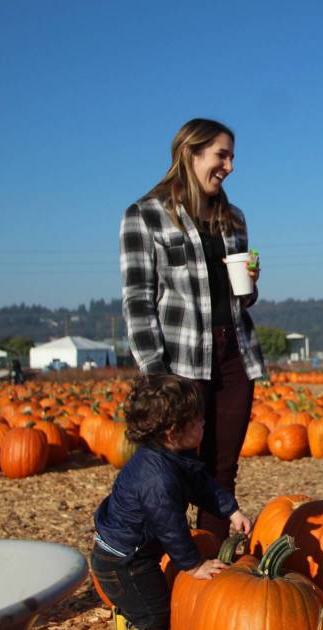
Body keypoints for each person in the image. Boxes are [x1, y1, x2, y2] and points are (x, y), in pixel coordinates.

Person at [120, 118, 264, 543]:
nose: (230, 166)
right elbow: (137, 301)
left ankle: (209, 564)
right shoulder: (144, 216)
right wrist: (156, 376)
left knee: (222, 469)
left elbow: (240, 299)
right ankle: (159, 568)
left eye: (232, 156)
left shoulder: (232, 218)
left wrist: (250, 285)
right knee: (172, 470)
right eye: (222, 155)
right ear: (190, 153)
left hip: (234, 354)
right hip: (180, 360)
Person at [92, 374, 252, 630]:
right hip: (124, 561)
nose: (203, 422)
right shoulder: (156, 479)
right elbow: (171, 527)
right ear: (171, 432)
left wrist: (231, 510)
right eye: (196, 420)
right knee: (154, 614)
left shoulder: (174, 457)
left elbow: (200, 485)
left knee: (138, 608)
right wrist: (193, 565)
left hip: (130, 554)